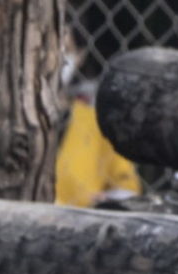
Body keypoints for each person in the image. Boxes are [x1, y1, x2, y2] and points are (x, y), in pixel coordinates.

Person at [56, 50, 140, 208]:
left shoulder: (95, 121)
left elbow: (127, 186)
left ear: (79, 56)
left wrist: (105, 201)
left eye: (66, 45)